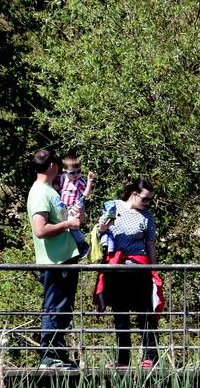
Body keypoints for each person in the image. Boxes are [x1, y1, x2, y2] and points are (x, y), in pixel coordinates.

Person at [27, 149, 84, 369]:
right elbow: (40, 229)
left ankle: (58, 353)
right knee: (54, 307)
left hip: (65, 259)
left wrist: (73, 217)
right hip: (54, 261)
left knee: (63, 308)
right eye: (58, 165)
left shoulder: (51, 190)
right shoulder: (41, 192)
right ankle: (48, 356)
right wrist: (67, 224)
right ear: (52, 166)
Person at [95, 178, 159, 368]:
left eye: (150, 200)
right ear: (134, 194)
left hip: (140, 268)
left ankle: (150, 357)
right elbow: (99, 231)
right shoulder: (113, 207)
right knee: (121, 316)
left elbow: (150, 245)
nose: (148, 203)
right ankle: (123, 360)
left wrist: (155, 270)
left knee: (145, 314)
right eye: (145, 199)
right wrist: (102, 227)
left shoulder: (147, 217)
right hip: (117, 268)